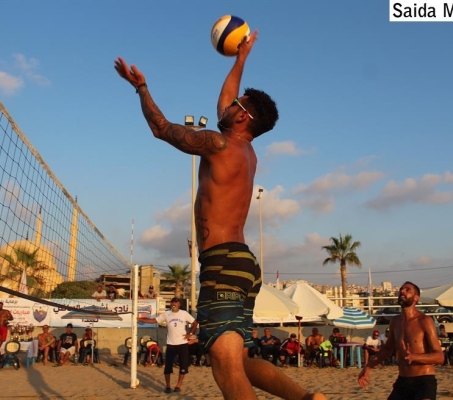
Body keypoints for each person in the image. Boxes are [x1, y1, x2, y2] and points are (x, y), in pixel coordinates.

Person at [115, 31, 324, 400]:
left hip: (222, 262)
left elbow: (161, 128)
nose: (226, 104)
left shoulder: (219, 144)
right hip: (244, 265)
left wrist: (141, 88)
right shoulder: (246, 152)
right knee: (239, 361)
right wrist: (240, 58)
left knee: (225, 366)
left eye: (235, 104)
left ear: (242, 116)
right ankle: (310, 398)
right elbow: (228, 101)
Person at [358, 282, 444, 399]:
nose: (402, 291)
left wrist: (414, 357)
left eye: (408, 290)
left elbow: (439, 357)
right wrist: (369, 366)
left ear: (416, 298)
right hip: (403, 380)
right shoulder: (395, 321)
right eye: (401, 289)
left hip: (423, 381)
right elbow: (387, 350)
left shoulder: (424, 321)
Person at [139, 297, 197, 393]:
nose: (174, 304)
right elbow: (154, 320)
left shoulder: (184, 313)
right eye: (172, 302)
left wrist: (190, 334)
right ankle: (168, 386)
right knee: (168, 367)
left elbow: (195, 323)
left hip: (182, 343)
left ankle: (178, 386)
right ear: (170, 304)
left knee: (183, 366)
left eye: (176, 302)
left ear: (179, 304)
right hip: (171, 344)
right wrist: (141, 319)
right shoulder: (166, 314)